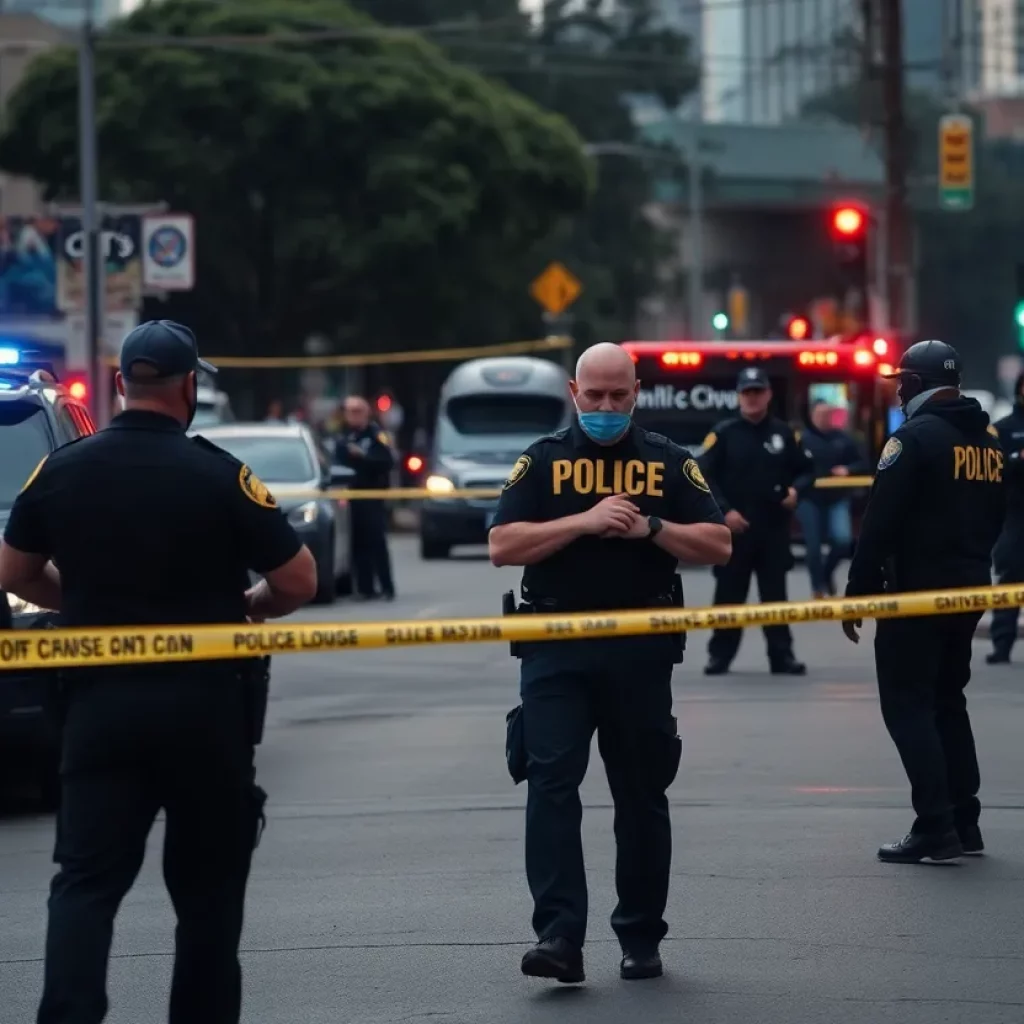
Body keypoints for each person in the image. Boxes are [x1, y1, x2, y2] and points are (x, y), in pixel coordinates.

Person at [0, 319, 318, 1024]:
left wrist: (76, 599)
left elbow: (13, 571)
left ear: (119, 386)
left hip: (99, 711)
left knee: (84, 885)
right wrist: (251, 607)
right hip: (204, 713)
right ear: (190, 387)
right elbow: (298, 578)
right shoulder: (219, 474)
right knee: (207, 899)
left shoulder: (62, 470)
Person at [488, 342, 731, 985]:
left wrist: (651, 529)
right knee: (551, 789)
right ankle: (559, 937)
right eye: (592, 395)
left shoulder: (668, 462)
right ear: (574, 392)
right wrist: (583, 521)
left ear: (636, 391)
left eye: (616, 395)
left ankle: (641, 939)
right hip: (556, 646)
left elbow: (718, 543)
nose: (603, 407)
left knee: (641, 794)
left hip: (641, 648)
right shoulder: (542, 461)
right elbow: (502, 544)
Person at [842, 340, 1005, 863]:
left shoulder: (912, 440)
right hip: (970, 588)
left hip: (915, 596)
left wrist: (857, 593)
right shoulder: (988, 442)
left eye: (900, 381)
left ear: (912, 384)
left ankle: (935, 826)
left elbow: (879, 524)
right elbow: (999, 516)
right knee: (947, 701)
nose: (897, 390)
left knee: (909, 707)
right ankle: (965, 820)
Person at [697, 366, 815, 676]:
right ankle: (719, 656)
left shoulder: (784, 433)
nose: (752, 398)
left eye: (757, 392)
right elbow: (702, 474)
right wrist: (724, 512)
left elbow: (807, 470)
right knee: (728, 596)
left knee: (775, 596)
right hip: (734, 532)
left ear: (768, 394)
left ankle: (782, 656)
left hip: (773, 530)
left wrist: (796, 490)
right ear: (738, 396)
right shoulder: (723, 434)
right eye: (746, 392)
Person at [795, 400, 869, 598]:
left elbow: (864, 463)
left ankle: (827, 574)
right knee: (813, 546)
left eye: (827, 414)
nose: (823, 418)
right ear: (812, 416)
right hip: (809, 499)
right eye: (819, 414)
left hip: (837, 498)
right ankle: (817, 588)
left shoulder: (844, 439)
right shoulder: (803, 440)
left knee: (842, 541)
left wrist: (848, 469)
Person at [332, 395, 396, 601]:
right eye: (350, 412)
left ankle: (387, 587)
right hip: (351, 497)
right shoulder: (343, 437)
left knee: (377, 542)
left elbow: (387, 460)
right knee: (357, 543)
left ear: (366, 413)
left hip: (372, 495)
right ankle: (365, 588)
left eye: (358, 411)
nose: (354, 416)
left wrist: (362, 456)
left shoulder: (376, 435)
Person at [987, 370, 1024, 664]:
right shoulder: (1002, 429)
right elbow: (992, 470)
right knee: (1010, 577)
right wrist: (1016, 459)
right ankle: (1002, 644)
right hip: (1014, 513)